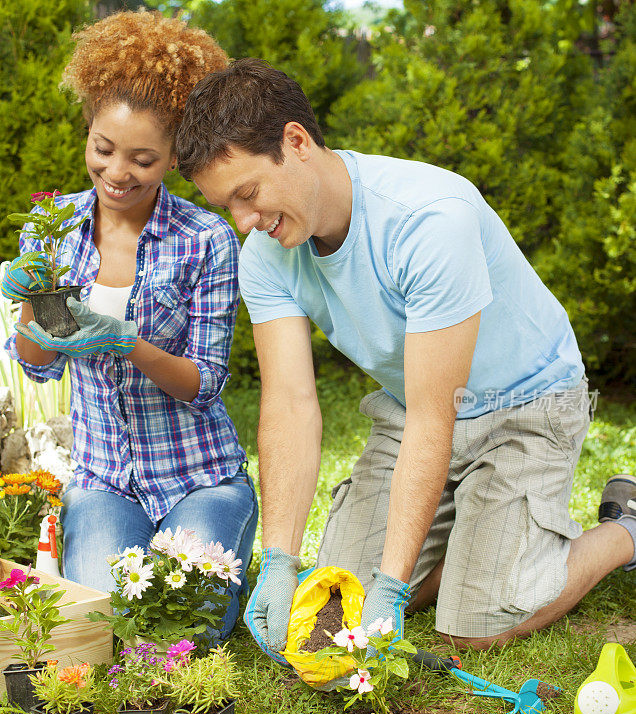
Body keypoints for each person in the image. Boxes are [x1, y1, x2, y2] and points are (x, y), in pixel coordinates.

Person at [175, 58, 636, 662]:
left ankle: (625, 529)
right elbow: (289, 404)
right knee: (340, 603)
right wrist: (281, 559)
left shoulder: (428, 221)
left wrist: (395, 583)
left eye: (249, 194)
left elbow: (434, 416)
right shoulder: (266, 254)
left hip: (523, 403)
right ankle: (476, 539)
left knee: (478, 624)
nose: (246, 222)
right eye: (226, 206)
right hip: (411, 407)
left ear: (296, 142)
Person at [1, 12, 258, 641]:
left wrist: (125, 341)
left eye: (143, 158)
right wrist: (29, 304)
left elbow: (205, 384)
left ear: (175, 155)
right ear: (87, 133)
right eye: (104, 149)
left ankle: (226, 554)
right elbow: (37, 363)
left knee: (184, 630)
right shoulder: (51, 229)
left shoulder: (206, 239)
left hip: (198, 475)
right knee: (107, 630)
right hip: (103, 481)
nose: (119, 173)